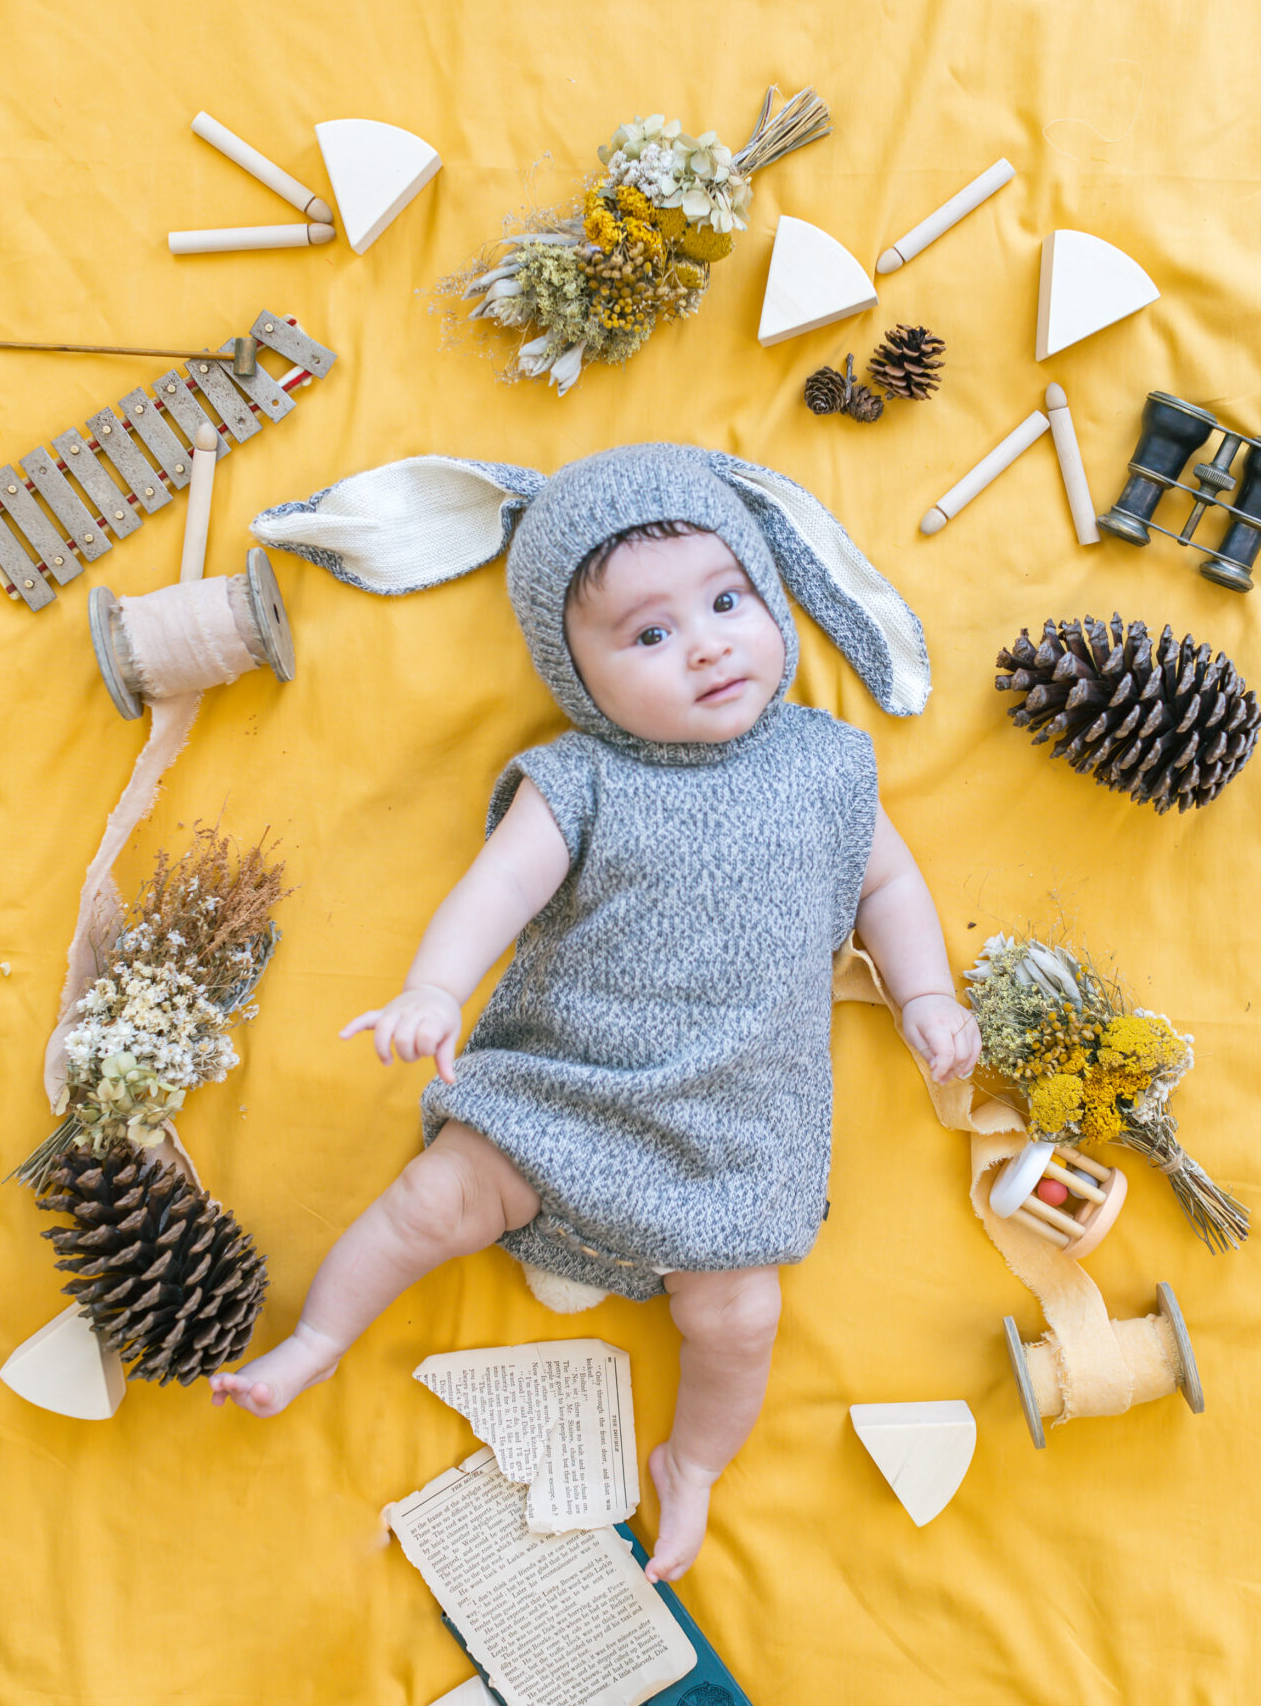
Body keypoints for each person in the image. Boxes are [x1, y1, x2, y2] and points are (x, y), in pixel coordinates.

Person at [214, 443, 981, 1583]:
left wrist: (926, 993)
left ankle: (694, 1468)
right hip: (569, 1094)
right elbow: (495, 891)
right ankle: (320, 1339)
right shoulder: (579, 779)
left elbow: (889, 887)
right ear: (576, 679)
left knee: (737, 1320)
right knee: (435, 1199)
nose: (708, 643)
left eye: (727, 602)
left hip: (731, 1134)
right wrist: (434, 986)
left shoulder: (827, 764)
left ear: (774, 601)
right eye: (649, 635)